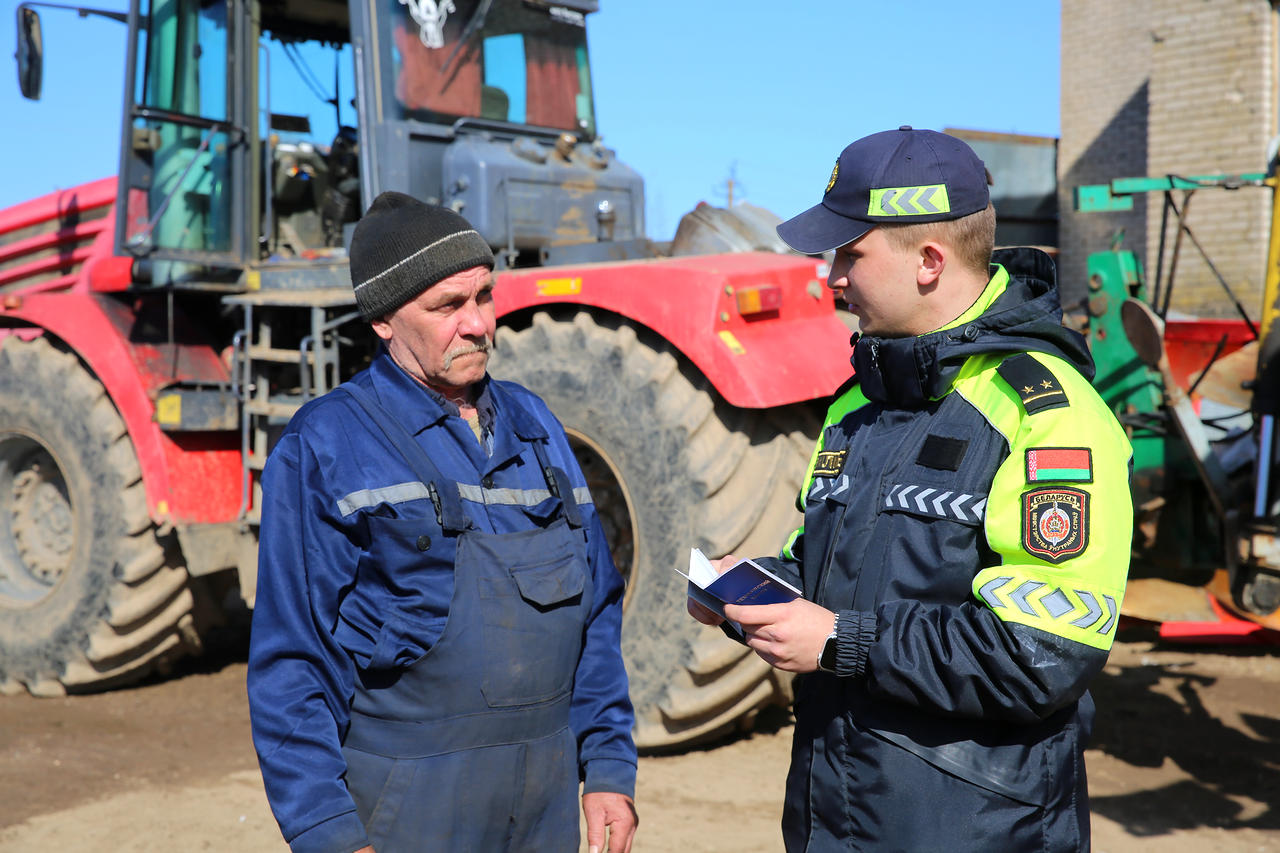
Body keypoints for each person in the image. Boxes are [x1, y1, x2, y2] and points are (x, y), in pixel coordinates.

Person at [690, 127, 1132, 852]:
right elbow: (825, 573)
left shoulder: (1047, 415)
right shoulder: (854, 406)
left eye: (850, 254)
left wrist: (842, 641)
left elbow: (1043, 652)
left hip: (977, 831)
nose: (830, 277)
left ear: (929, 261)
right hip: (835, 820)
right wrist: (752, 588)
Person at [248, 192, 638, 853]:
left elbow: (595, 610)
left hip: (543, 814)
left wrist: (606, 765)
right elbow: (293, 659)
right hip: (407, 814)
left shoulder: (537, 426)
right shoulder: (327, 444)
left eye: (484, 296)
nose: (478, 324)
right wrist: (329, 834)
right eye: (447, 306)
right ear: (383, 319)